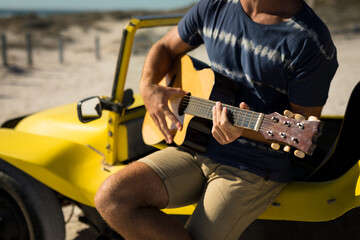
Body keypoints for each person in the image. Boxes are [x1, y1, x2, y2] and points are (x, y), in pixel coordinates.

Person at [94, 0, 338, 239]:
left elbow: (302, 130)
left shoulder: (311, 41)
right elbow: (165, 47)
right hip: (195, 146)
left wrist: (242, 130)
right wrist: (148, 87)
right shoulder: (214, 6)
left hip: (252, 166)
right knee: (112, 198)